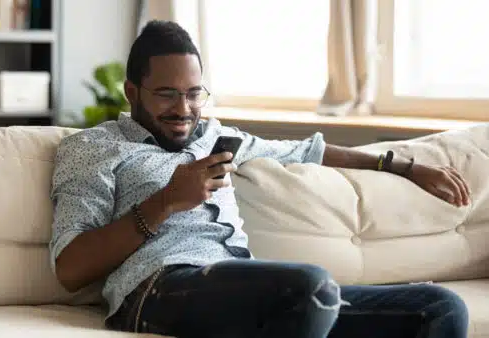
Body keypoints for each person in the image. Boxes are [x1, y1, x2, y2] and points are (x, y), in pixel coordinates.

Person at [49, 20, 470, 338]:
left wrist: (405, 166)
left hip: (244, 286)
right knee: (310, 286)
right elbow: (70, 267)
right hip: (156, 289)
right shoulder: (95, 148)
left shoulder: (216, 137)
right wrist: (166, 202)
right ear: (132, 92)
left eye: (194, 92)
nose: (184, 108)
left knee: (441, 307)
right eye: (166, 94)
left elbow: (308, 150)